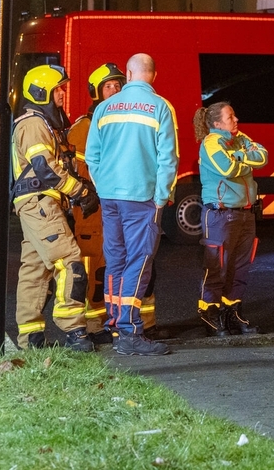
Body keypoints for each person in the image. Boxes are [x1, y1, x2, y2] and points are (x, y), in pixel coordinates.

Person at [86, 53, 178, 356]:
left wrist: (104, 186)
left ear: (127, 74)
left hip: (110, 196)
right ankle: (129, 331)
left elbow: (92, 157)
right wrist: (161, 196)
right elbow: (168, 159)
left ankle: (116, 325)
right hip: (141, 197)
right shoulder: (161, 107)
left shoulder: (104, 108)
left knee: (115, 260)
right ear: (154, 74)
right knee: (139, 262)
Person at [10, 64, 98, 352]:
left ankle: (31, 338)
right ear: (41, 92)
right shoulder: (33, 124)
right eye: (58, 88)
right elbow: (45, 170)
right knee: (70, 261)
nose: (62, 93)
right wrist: (81, 190)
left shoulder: (40, 122)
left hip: (38, 203)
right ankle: (74, 330)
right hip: (40, 202)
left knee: (35, 271)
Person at [194, 102, 268, 336]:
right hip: (220, 215)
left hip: (245, 213)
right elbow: (227, 169)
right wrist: (245, 159)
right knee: (216, 267)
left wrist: (239, 157)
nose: (236, 120)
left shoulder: (239, 138)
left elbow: (263, 156)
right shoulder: (211, 143)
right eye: (230, 117)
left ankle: (232, 312)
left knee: (239, 268)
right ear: (217, 123)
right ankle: (210, 315)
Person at [67, 62, 126, 345]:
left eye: (118, 85)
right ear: (96, 93)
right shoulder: (84, 127)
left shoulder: (126, 122)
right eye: (108, 87)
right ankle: (90, 326)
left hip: (116, 205)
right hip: (90, 209)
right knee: (90, 269)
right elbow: (76, 171)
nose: (114, 91)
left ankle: (116, 323)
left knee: (114, 268)